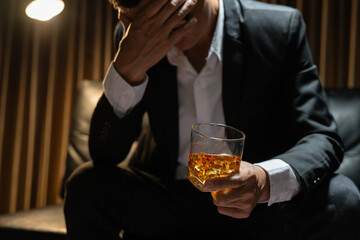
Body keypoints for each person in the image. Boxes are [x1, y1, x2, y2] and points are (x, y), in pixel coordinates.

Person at [64, 0, 360, 239]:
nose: (163, 32)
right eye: (147, 24)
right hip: (172, 199)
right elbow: (104, 154)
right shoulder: (135, 40)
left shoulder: (278, 29)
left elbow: (322, 137)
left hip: (257, 204)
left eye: (171, 12)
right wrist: (127, 69)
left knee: (342, 197)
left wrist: (263, 180)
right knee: (86, 185)